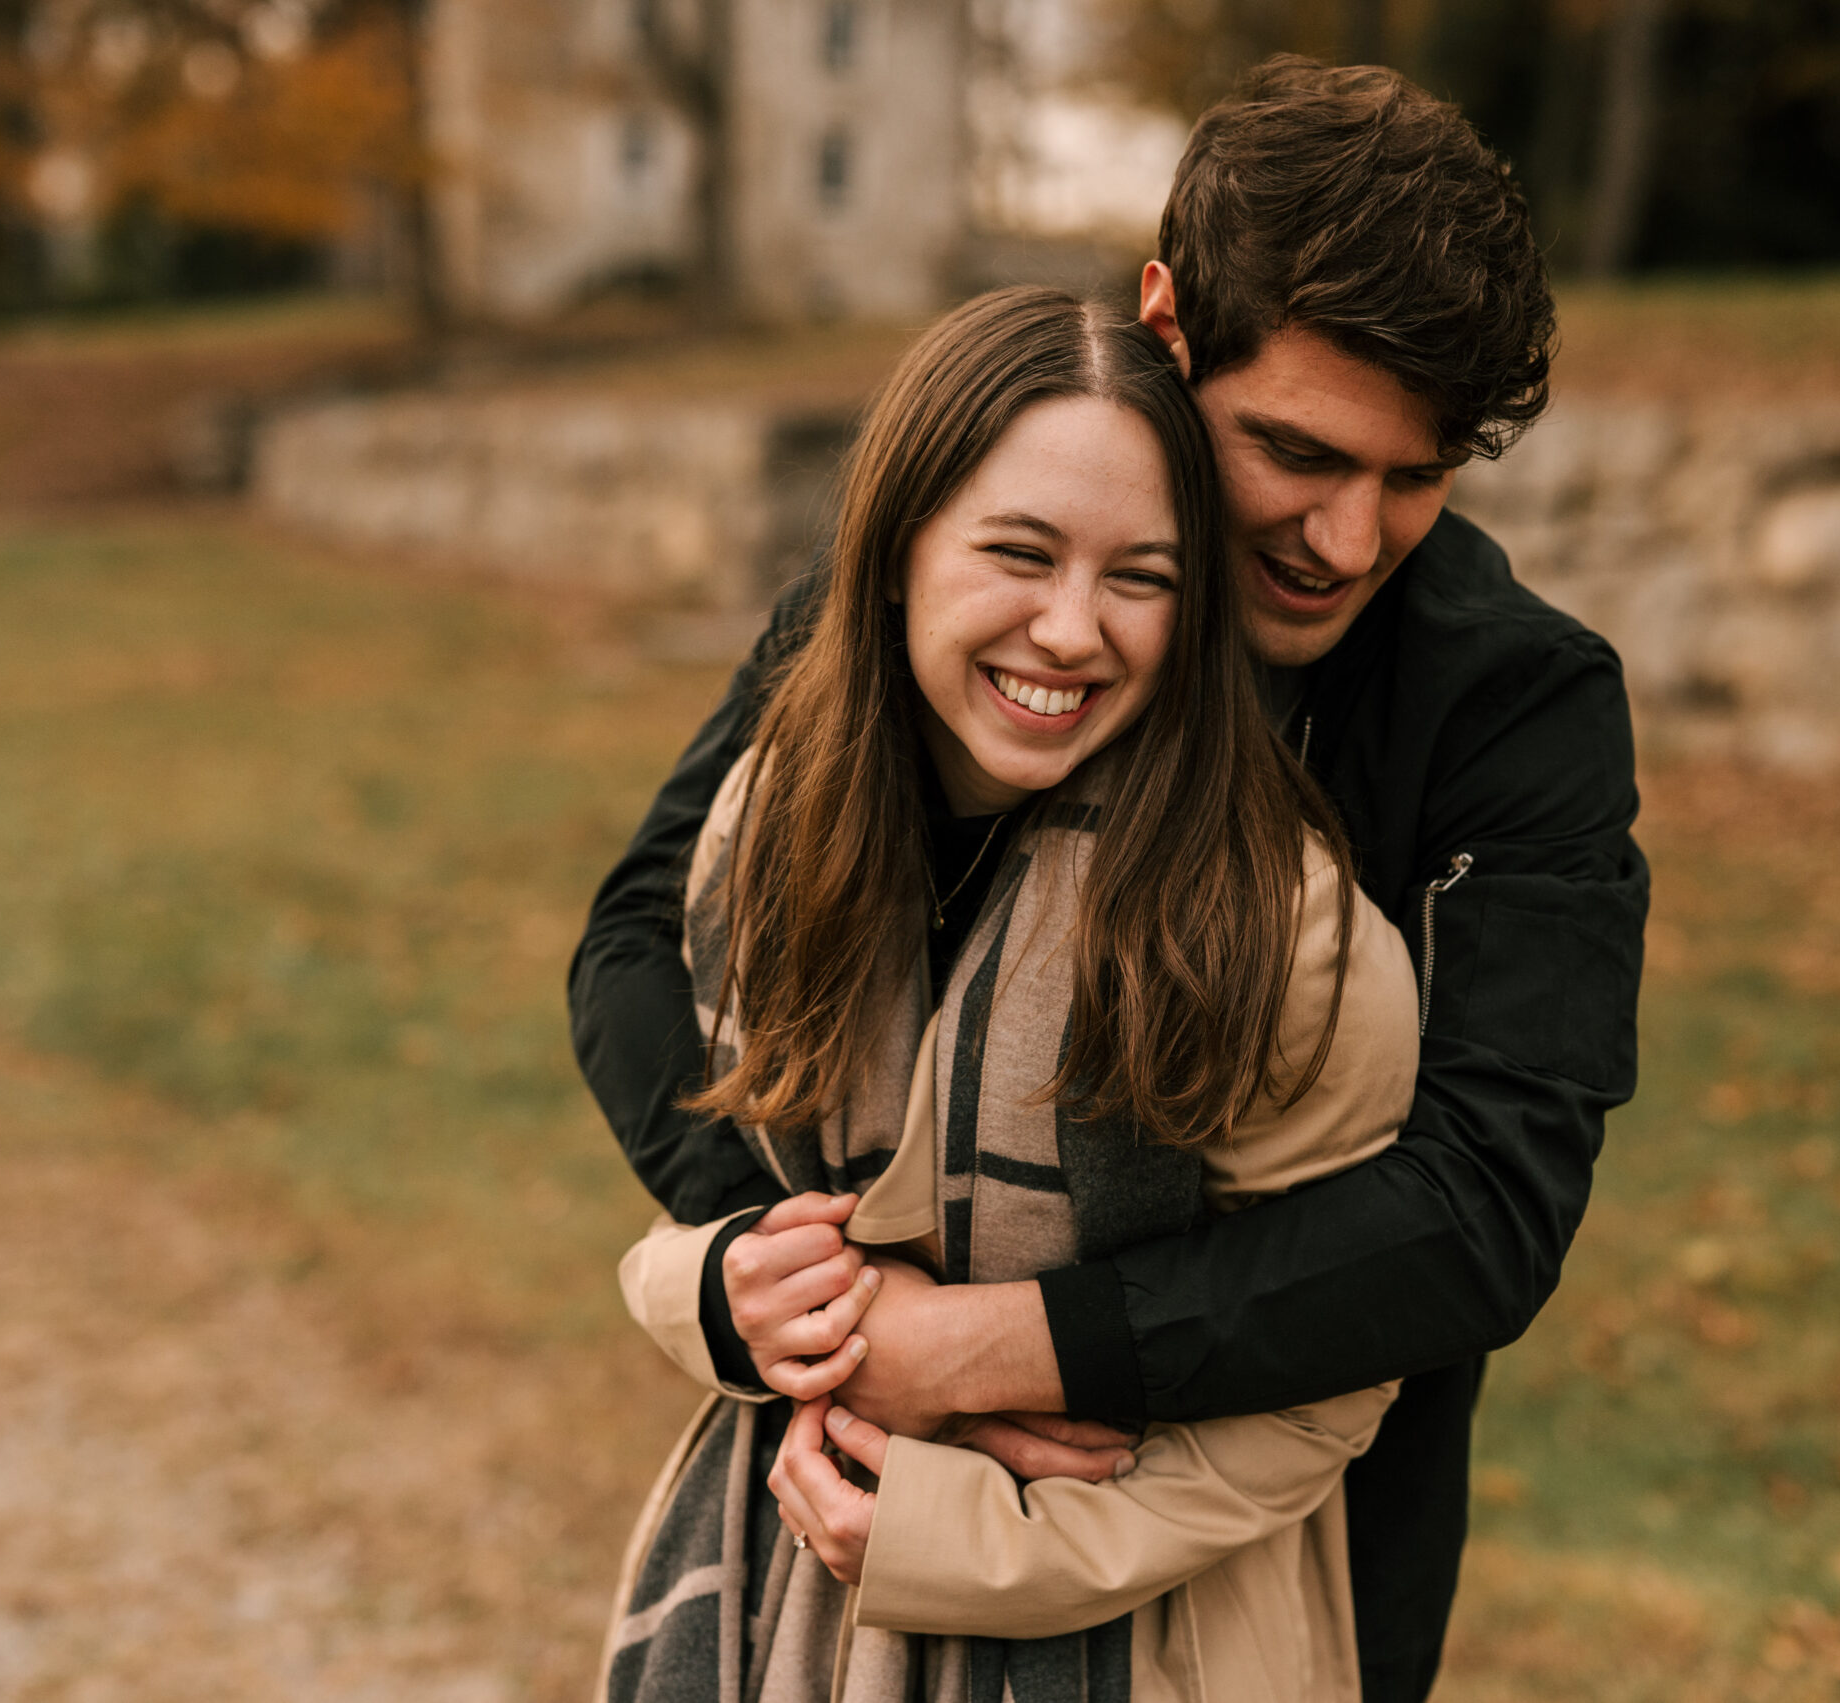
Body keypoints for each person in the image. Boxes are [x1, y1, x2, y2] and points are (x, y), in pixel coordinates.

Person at [571, 57, 1649, 1702]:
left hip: (1270, 1568)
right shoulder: (956, 569)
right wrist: (808, 1299)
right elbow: (650, 932)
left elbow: (1483, 1209)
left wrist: (1000, 1352)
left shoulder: (1513, 703)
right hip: (845, 1531)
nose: (1346, 541)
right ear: (1166, 319)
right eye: (1294, 450)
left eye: (1416, 477)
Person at [605, 283, 1425, 1703]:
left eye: (1142, 577)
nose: (1069, 630)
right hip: (786, 1588)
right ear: (899, 549)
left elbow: (1328, 1379)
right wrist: (725, 1298)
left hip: (1148, 1632)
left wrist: (954, 1526)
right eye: (1019, 552)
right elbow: (732, 1210)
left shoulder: (1281, 930)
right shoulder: (768, 835)